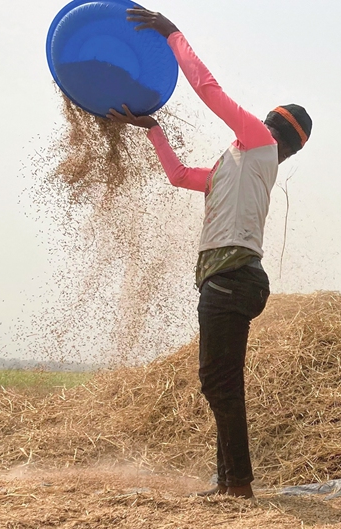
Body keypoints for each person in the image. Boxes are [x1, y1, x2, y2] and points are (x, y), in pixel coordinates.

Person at [108, 9, 313, 497]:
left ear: (269, 127)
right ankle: (229, 480)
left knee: (219, 382)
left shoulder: (258, 144)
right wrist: (152, 128)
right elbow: (180, 177)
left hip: (233, 277)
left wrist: (171, 33)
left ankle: (238, 483)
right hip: (227, 278)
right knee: (218, 380)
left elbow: (208, 91)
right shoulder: (233, 166)